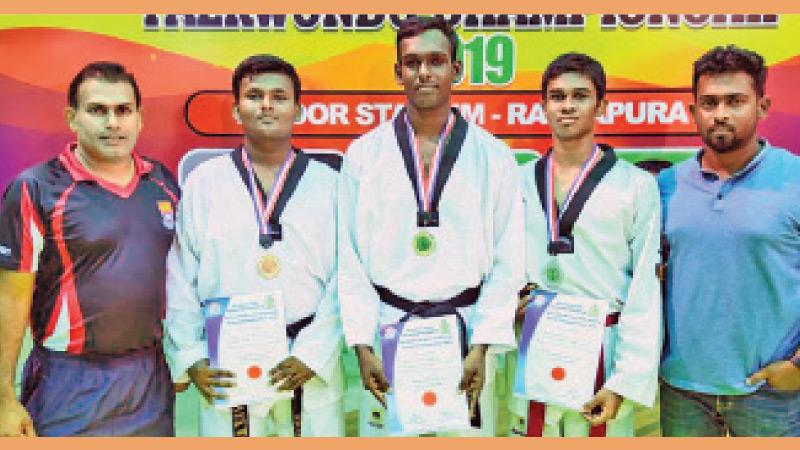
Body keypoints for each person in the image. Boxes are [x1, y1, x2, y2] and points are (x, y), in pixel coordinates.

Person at [337, 16, 524, 437]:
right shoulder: (363, 155)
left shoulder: (494, 156)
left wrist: (483, 344)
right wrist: (363, 346)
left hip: (466, 334)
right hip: (388, 331)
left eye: (436, 61)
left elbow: (509, 259)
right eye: (412, 62)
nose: (424, 72)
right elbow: (349, 257)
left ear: (457, 69)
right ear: (397, 71)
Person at [164, 54, 344, 437]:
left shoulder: (331, 186)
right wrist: (193, 355)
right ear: (235, 109)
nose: (266, 105)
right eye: (254, 95)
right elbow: (180, 276)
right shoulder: (204, 183)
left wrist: (313, 352)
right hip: (228, 365)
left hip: (306, 365)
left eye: (279, 96)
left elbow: (348, 276)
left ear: (298, 109)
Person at [0, 61, 179, 436]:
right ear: (72, 117)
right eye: (97, 110)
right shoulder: (36, 188)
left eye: (123, 111)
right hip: (68, 381)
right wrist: (3, 399)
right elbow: (10, 299)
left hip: (149, 378)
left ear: (139, 119)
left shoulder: (162, 183)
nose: (112, 123)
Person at [512, 53, 662, 437]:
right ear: (542, 106)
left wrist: (624, 380)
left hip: (603, 359)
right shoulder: (517, 181)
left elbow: (645, 289)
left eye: (580, 96)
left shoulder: (636, 186)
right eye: (557, 96)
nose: (567, 106)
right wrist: (505, 305)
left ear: (602, 105)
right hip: (534, 352)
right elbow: (499, 265)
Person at [658, 45, 800, 436]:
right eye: (709, 102)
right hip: (681, 392)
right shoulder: (665, 186)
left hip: (770, 395)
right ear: (693, 111)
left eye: (735, 101)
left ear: (763, 106)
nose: (720, 113)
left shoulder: (796, 180)